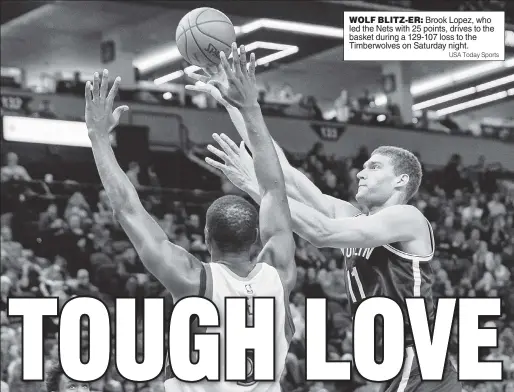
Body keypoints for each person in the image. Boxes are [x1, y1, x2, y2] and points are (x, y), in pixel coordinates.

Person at [187, 53, 462, 392]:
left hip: (420, 363)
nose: (361, 171)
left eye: (375, 167)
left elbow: (320, 233)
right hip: (396, 366)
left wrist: (255, 186)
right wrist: (238, 104)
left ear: (402, 181)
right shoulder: (353, 218)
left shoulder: (408, 218)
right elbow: (283, 172)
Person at [85, 43, 296, 392]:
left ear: (206, 238)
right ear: (257, 240)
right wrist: (250, 106)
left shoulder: (191, 279)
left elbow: (127, 209)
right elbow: (275, 189)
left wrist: (98, 138)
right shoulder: (280, 274)